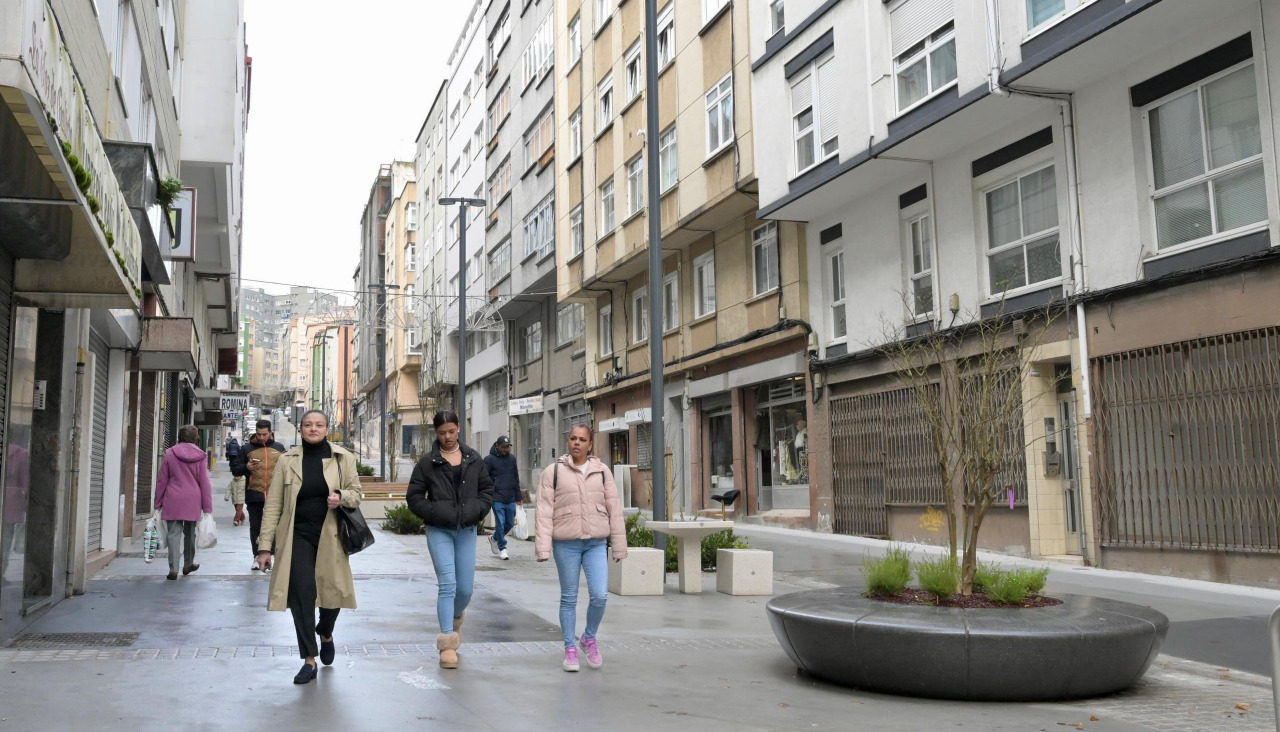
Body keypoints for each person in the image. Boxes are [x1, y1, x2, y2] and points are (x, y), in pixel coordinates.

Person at [256, 410, 362, 685]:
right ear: (300, 428)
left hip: (332, 537)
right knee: (302, 595)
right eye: (307, 425)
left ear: (327, 428)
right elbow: (274, 505)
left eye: (318, 425)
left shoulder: (343, 458)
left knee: (333, 594)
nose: (313, 429)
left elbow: (357, 493)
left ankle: (325, 631)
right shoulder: (287, 461)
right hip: (297, 537)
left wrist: (341, 497)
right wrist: (265, 547)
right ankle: (309, 659)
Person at [406, 411, 494, 670]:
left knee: (465, 589)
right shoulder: (427, 462)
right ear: (436, 432)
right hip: (439, 530)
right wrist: (434, 513)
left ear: (458, 430)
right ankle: (446, 645)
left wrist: (477, 510)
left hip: (466, 530)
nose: (447, 437)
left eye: (451, 432)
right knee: (448, 584)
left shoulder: (474, 458)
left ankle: (455, 619)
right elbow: (414, 496)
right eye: (442, 432)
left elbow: (487, 490)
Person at [535, 425, 627, 672]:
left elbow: (614, 509)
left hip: (596, 542)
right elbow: (544, 511)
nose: (577, 442)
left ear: (590, 445)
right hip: (566, 544)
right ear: (568, 441)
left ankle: (588, 637)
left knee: (600, 595)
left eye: (582, 439)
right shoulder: (552, 472)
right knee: (569, 597)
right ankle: (570, 649)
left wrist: (619, 545)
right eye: (573, 438)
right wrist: (542, 547)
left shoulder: (603, 472)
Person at [154, 425, 214, 581]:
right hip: (193, 499)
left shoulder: (170, 454)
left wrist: (157, 503)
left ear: (179, 437)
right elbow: (204, 482)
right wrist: (207, 506)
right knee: (190, 533)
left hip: (173, 498)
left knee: (173, 534)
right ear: (196, 439)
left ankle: (173, 569)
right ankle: (188, 564)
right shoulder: (201, 456)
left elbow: (162, 480)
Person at [231, 420, 286, 571]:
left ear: (270, 432)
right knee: (256, 527)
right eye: (259, 434)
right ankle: (256, 556)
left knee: (274, 527)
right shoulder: (246, 449)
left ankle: (272, 555)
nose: (261, 438)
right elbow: (236, 470)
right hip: (254, 494)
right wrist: (247, 467)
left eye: (265, 434)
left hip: (275, 496)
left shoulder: (279, 448)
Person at [483, 435, 522, 560]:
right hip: (497, 496)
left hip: (510, 496)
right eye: (503, 447)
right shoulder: (489, 460)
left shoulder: (512, 459)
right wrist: (490, 491)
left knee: (510, 523)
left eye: (507, 447)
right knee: (500, 522)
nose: (506, 449)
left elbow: (516, 477)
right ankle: (502, 548)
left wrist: (518, 496)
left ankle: (494, 538)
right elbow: (484, 477)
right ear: (497, 446)